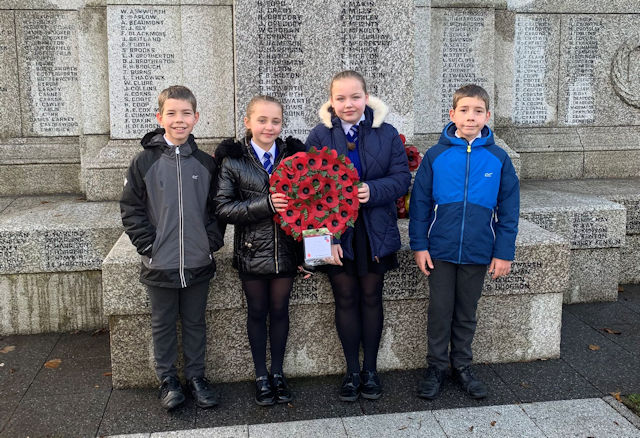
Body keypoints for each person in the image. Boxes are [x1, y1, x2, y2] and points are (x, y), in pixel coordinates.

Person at [409, 84, 519, 400]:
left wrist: (503, 252)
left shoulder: (498, 159)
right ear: (452, 114)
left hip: (478, 249)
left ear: (487, 115)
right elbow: (419, 204)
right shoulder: (436, 155)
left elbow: (509, 210)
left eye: (478, 111)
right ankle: (436, 367)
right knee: (440, 310)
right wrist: (419, 245)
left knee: (466, 312)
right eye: (464, 110)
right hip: (440, 249)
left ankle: (462, 366)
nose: (471, 117)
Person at [306, 71, 411, 401]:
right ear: (331, 101)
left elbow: (402, 179)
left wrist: (372, 190)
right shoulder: (320, 135)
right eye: (340, 98)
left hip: (373, 232)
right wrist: (328, 238)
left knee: (371, 298)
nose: (348, 104)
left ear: (367, 98)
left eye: (355, 97)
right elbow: (309, 191)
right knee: (345, 299)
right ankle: (352, 371)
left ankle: (371, 371)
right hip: (336, 234)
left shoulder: (387, 133)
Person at [120, 85, 223, 411]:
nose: (179, 120)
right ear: (159, 117)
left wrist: (210, 243)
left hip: (197, 260)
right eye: (172, 113)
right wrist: (148, 246)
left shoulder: (206, 164)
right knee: (162, 323)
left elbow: (216, 210)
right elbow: (131, 209)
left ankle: (196, 378)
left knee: (195, 322)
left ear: (196, 118)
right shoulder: (144, 162)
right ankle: (168, 380)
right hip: (159, 263)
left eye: (186, 113)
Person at [214, 95, 305, 406]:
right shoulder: (234, 161)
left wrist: (309, 252)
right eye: (262, 120)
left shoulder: (294, 158)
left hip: (286, 251)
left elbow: (311, 206)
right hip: (252, 251)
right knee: (257, 312)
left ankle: (278, 373)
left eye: (275, 121)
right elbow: (223, 208)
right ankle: (260, 376)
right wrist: (265, 204)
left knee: (280, 311)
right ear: (248, 122)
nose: (269, 126)